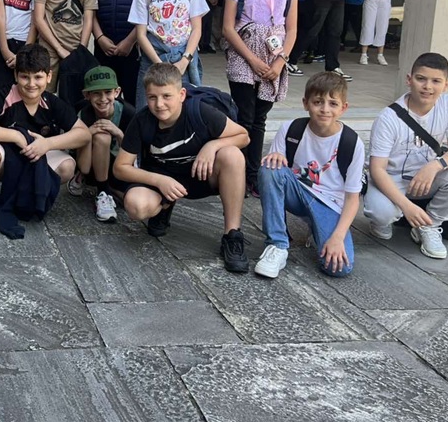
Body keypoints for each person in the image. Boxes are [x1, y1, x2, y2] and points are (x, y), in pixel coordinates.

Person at [113, 63, 251, 272]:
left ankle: (232, 234)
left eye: (166, 96)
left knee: (232, 155)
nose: (159, 104)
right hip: (164, 177)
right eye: (152, 97)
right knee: (136, 205)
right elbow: (120, 167)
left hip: (202, 174)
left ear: (181, 94)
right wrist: (159, 181)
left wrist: (213, 146)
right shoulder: (142, 120)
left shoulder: (202, 112)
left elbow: (243, 136)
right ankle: (164, 206)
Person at [364, 52, 448, 260]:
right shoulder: (388, 118)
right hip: (392, 178)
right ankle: (386, 218)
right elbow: (377, 169)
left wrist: (435, 166)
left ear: (446, 84)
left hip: (427, 178)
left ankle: (429, 224)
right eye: (421, 79)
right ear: (409, 80)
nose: (428, 87)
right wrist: (407, 207)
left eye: (436, 81)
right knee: (381, 213)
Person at [0, 44, 90, 227]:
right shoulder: (3, 95)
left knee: (67, 166)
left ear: (49, 76)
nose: (31, 84)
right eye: (25, 77)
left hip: (33, 157)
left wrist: (47, 144)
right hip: (2, 158)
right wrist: (15, 136)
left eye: (38, 77)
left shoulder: (52, 102)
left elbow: (84, 134)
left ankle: (25, 194)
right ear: (16, 75)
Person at [256, 72, 362, 279]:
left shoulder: (351, 142)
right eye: (318, 102)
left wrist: (337, 237)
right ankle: (277, 245)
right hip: (297, 192)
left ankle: (318, 227)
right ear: (306, 103)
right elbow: (274, 174)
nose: (325, 109)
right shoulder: (291, 129)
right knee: (270, 168)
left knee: (339, 268)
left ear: (343, 108)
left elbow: (352, 198)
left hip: (330, 203)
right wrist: (277, 156)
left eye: (333, 103)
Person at [222, 0, 299, 196]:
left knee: (259, 119)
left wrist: (280, 61)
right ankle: (238, 175)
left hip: (273, 56)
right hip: (244, 54)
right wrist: (252, 60)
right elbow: (228, 28)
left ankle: (253, 176)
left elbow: (292, 29)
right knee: (244, 116)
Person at [128, 0, 210, 108]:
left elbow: (197, 29)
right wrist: (160, 65)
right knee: (147, 110)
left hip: (184, 59)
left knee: (186, 110)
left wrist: (184, 60)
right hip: (153, 59)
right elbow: (141, 35)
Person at [69, 66, 136, 223]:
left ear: (117, 92)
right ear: (87, 95)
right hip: (88, 164)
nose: (103, 98)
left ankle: (109, 187)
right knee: (102, 136)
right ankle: (102, 191)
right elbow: (78, 158)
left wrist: (118, 133)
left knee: (130, 202)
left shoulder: (128, 113)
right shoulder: (82, 112)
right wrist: (87, 134)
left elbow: (134, 156)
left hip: (119, 164)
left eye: (107, 92)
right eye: (96, 93)